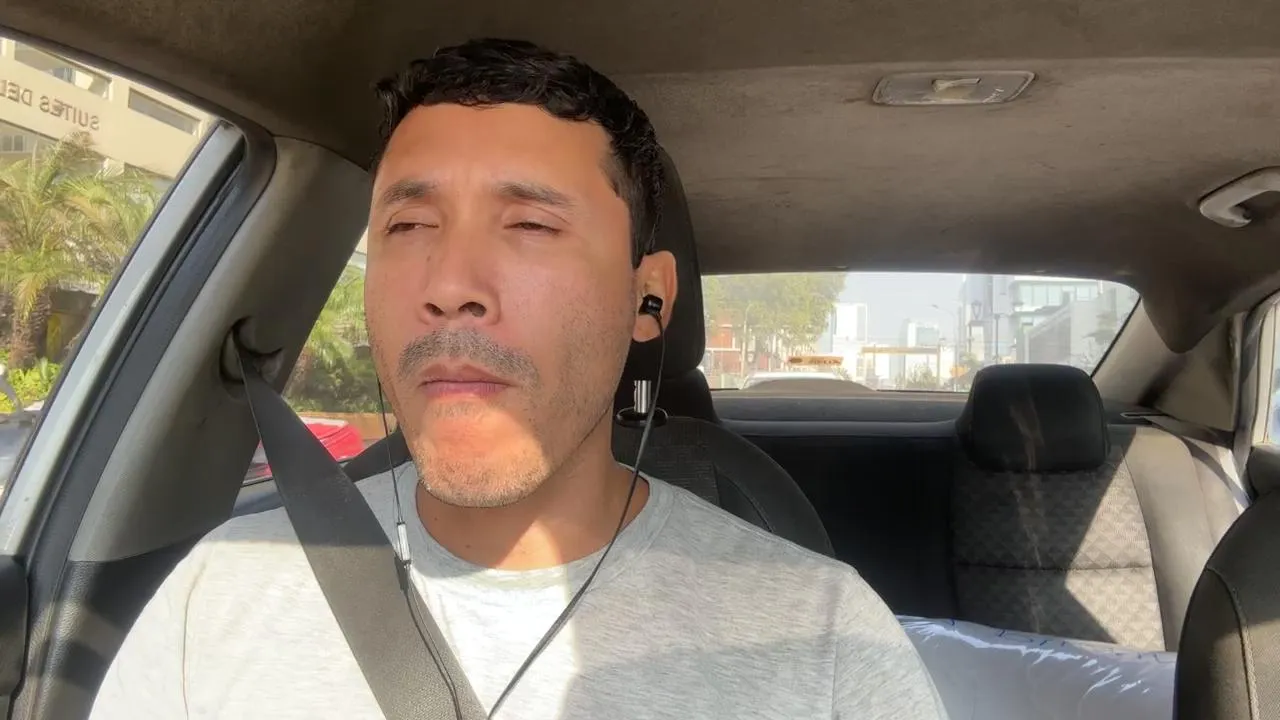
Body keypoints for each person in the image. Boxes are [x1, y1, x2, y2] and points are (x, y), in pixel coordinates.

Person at [91, 38, 947, 719]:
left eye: (531, 224)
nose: (449, 284)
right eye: (409, 224)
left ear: (647, 298)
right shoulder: (221, 591)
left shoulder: (823, 639)